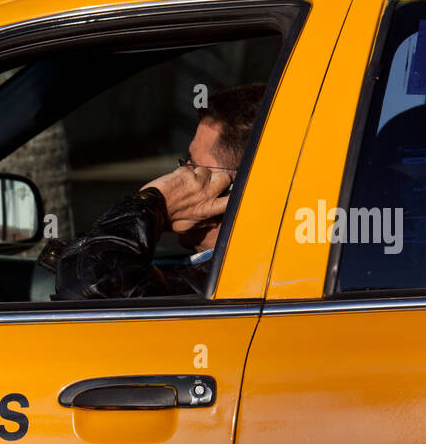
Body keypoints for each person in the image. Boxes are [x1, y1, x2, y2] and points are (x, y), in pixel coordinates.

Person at [41, 84, 266, 299]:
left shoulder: (227, 285)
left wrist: (152, 203)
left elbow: (92, 289)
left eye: (192, 165)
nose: (179, 174)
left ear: (231, 191)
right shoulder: (216, 273)